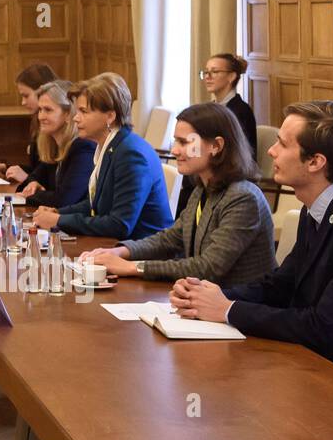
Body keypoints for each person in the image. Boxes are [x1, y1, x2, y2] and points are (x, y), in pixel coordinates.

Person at [170, 101, 333, 389]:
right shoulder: (314, 208)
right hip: (308, 365)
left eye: (282, 144)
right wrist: (205, 296)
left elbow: (323, 328)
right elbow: (280, 286)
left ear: (315, 162)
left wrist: (227, 309)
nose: (270, 151)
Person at [81, 102, 275, 283]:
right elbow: (170, 239)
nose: (174, 150)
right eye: (176, 141)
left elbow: (208, 267)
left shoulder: (242, 198)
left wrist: (132, 267)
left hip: (238, 310)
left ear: (216, 146)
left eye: (184, 142)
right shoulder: (202, 188)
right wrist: (121, 252)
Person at [31, 73, 172, 239]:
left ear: (110, 116)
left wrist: (59, 220)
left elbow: (119, 225)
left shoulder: (131, 154)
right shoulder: (110, 146)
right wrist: (57, 212)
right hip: (115, 247)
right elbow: (96, 205)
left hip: (142, 255)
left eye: (83, 111)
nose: (76, 118)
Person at [175, 53, 261, 215]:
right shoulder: (210, 110)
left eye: (214, 72)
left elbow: (240, 156)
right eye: (205, 72)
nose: (208, 77)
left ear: (231, 76)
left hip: (226, 178)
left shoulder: (241, 111)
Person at [0, 62, 59, 186]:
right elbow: (39, 169)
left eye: (26, 96)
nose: (23, 102)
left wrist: (27, 178)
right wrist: (5, 168)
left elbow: (50, 180)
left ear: (42, 91)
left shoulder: (55, 130)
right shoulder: (37, 123)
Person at [20, 80, 95, 209]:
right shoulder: (53, 146)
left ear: (68, 114)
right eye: (40, 110)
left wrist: (35, 194)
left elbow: (64, 200)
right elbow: (31, 179)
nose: (40, 117)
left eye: (48, 110)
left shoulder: (83, 148)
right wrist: (33, 183)